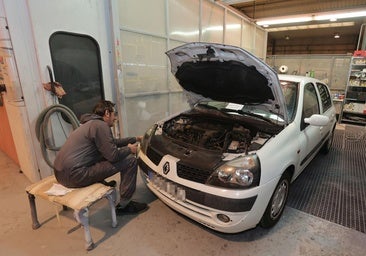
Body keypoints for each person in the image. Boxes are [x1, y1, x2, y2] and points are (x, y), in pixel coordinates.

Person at [54, 100, 148, 215]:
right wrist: (130, 149)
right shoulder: (101, 125)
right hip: (75, 176)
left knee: (100, 154)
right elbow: (113, 156)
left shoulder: (90, 124)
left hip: (60, 174)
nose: (115, 118)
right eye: (114, 114)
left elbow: (111, 142)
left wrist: (136, 139)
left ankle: (101, 182)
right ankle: (125, 205)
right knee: (130, 160)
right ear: (107, 113)